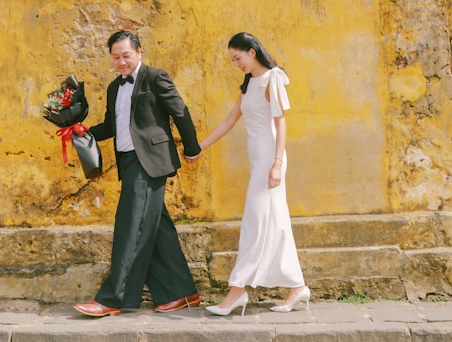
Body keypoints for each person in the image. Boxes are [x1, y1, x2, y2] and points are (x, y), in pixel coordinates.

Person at [73, 29, 202, 317]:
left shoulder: (155, 78)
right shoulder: (113, 88)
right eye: (116, 57)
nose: (121, 62)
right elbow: (112, 126)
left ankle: (112, 298)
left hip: (150, 162)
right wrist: (84, 131)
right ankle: (183, 293)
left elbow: (180, 111)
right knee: (157, 228)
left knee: (132, 226)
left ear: (139, 52)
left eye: (126, 56)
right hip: (128, 163)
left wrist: (192, 148)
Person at [194, 32, 309, 316]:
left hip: (271, 157)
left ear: (252, 52)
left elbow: (281, 123)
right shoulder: (250, 84)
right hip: (258, 158)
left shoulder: (273, 78)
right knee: (275, 222)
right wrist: (200, 147)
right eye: (233, 60)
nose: (236, 64)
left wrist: (277, 163)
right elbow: (229, 120)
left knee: (254, 221)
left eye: (238, 58)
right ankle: (297, 287)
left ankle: (237, 291)